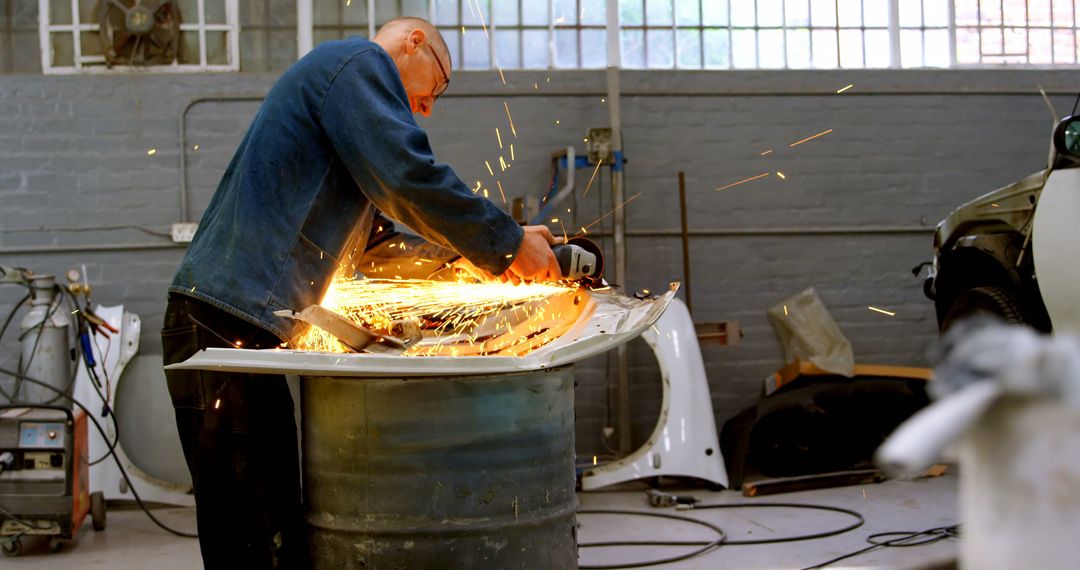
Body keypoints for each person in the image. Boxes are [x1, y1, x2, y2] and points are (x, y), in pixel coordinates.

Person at [161, 17, 561, 569]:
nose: (426, 108)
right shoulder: (356, 64)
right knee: (251, 538)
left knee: (274, 527)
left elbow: (378, 246)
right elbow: (407, 176)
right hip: (220, 328)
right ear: (413, 43)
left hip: (240, 334)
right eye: (435, 87)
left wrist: (483, 265)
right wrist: (507, 242)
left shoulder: (342, 124)